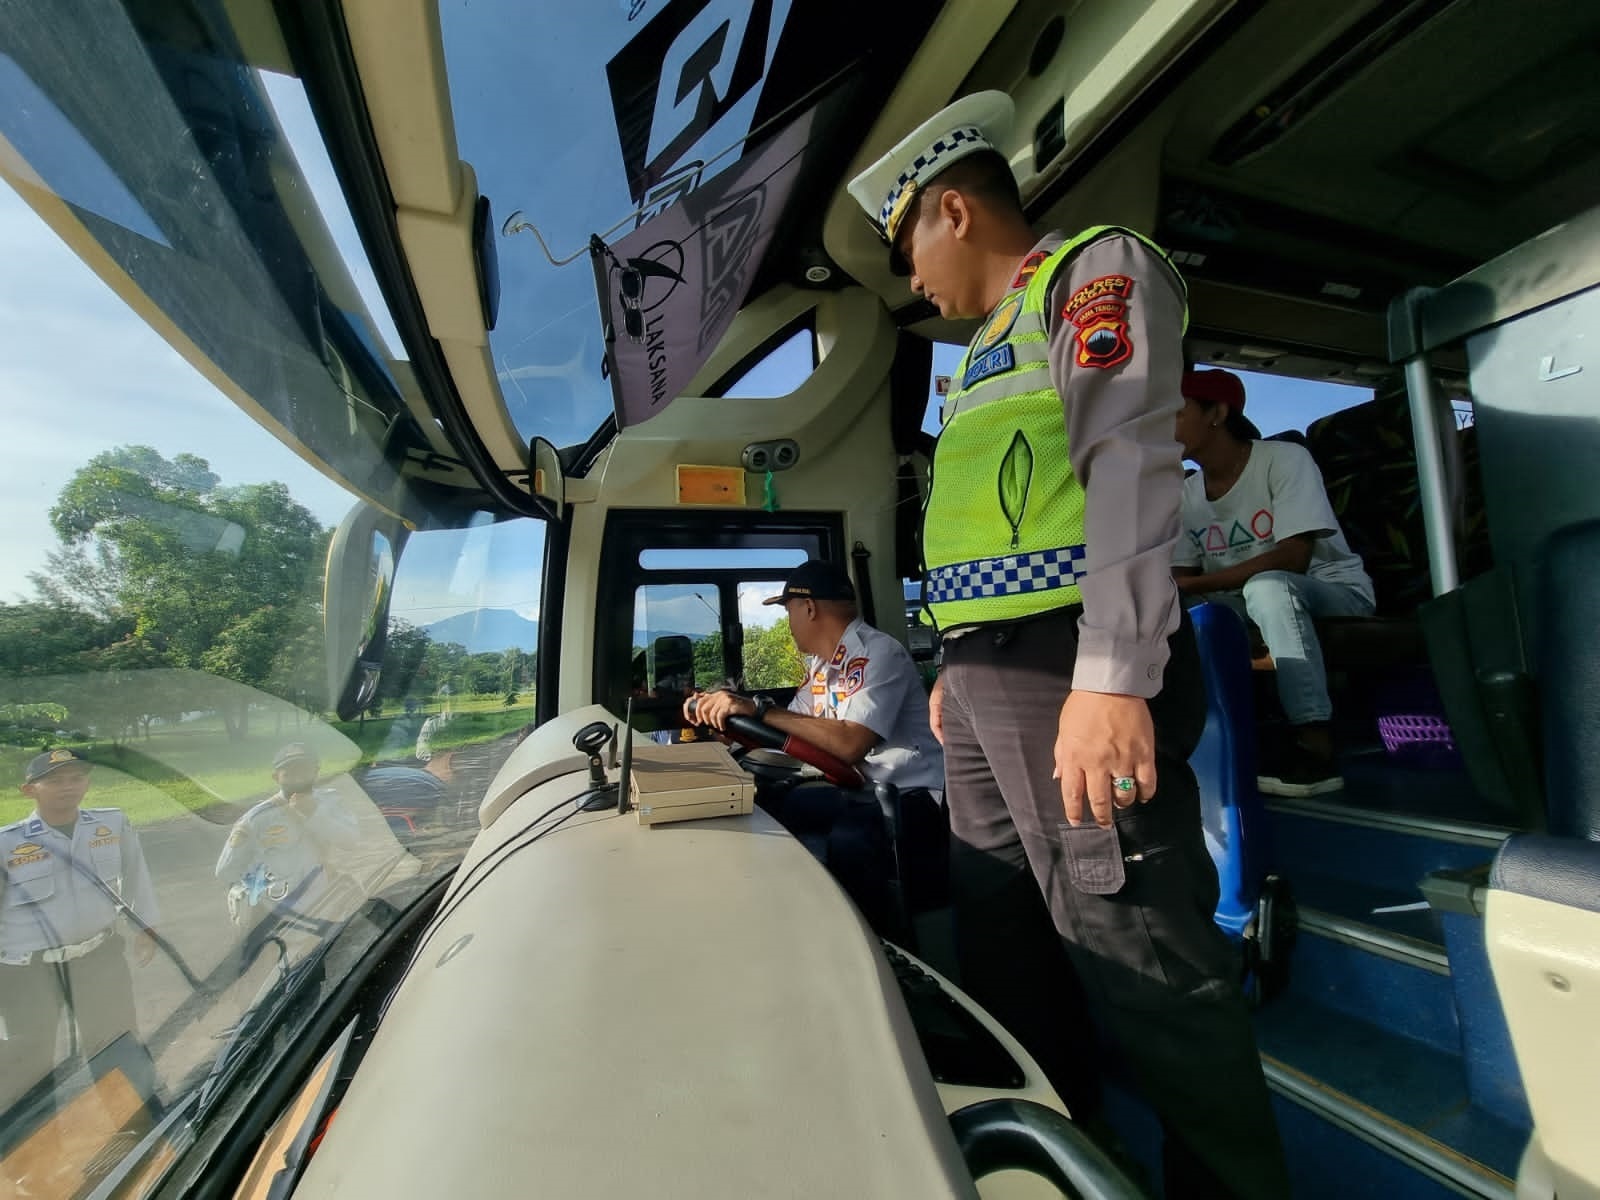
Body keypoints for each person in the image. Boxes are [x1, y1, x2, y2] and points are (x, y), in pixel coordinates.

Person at [847, 92, 1288, 1197]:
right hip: (989, 681)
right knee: (1008, 944)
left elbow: (1129, 468)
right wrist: (953, 668)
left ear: (953, 210)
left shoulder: (1088, 275)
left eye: (907, 249)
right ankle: (1064, 1159)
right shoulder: (979, 354)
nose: (911, 281)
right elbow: (993, 526)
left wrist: (1110, 677)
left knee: (1139, 950)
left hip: (1069, 665)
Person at [685, 560, 945, 929]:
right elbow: (792, 734)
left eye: (789, 610)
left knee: (850, 840)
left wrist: (757, 709)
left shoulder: (880, 654)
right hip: (859, 791)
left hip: (910, 797)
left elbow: (850, 743)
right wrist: (730, 729)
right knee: (770, 805)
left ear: (808, 608)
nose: (789, 622)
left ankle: (882, 949)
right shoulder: (823, 668)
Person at [1173, 368, 1376, 795]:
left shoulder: (1283, 460)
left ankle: (1315, 742)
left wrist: (1192, 588)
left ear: (1217, 413)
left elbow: (1294, 558)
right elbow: (1184, 578)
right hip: (1245, 597)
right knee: (1178, 614)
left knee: (1269, 587)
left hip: (1331, 590)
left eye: (1176, 413)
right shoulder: (1187, 493)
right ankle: (1209, 739)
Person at [0, 748, 160, 1114]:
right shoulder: (7, 843)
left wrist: (145, 926)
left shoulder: (110, 824)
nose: (68, 787)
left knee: (117, 1042)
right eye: (54, 781)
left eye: (76, 778)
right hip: (28, 971)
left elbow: (137, 876)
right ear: (30, 790)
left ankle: (141, 1122)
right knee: (28, 1061)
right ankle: (30, 1154)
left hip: (99, 957)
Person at [215, 743, 360, 931]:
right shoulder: (258, 818)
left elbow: (351, 841)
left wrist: (314, 813)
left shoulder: (329, 803)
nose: (298, 779)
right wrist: (258, 887)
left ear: (316, 771)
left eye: (304, 771)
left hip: (326, 909)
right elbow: (226, 870)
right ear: (276, 777)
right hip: (278, 920)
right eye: (289, 773)